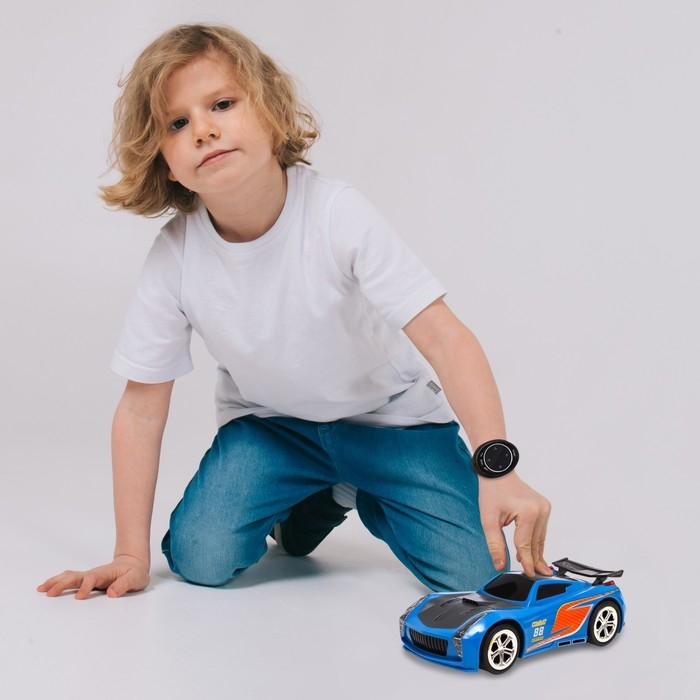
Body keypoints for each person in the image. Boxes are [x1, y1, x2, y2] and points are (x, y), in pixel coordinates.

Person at [38, 23, 551, 600]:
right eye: (177, 124)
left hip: (389, 424)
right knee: (199, 558)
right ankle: (321, 495)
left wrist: (497, 468)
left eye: (223, 104)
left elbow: (447, 338)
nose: (203, 129)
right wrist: (129, 554)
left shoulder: (337, 214)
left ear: (273, 113)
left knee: (485, 578)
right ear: (165, 164)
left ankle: (366, 490)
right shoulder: (175, 255)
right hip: (272, 430)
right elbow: (140, 409)